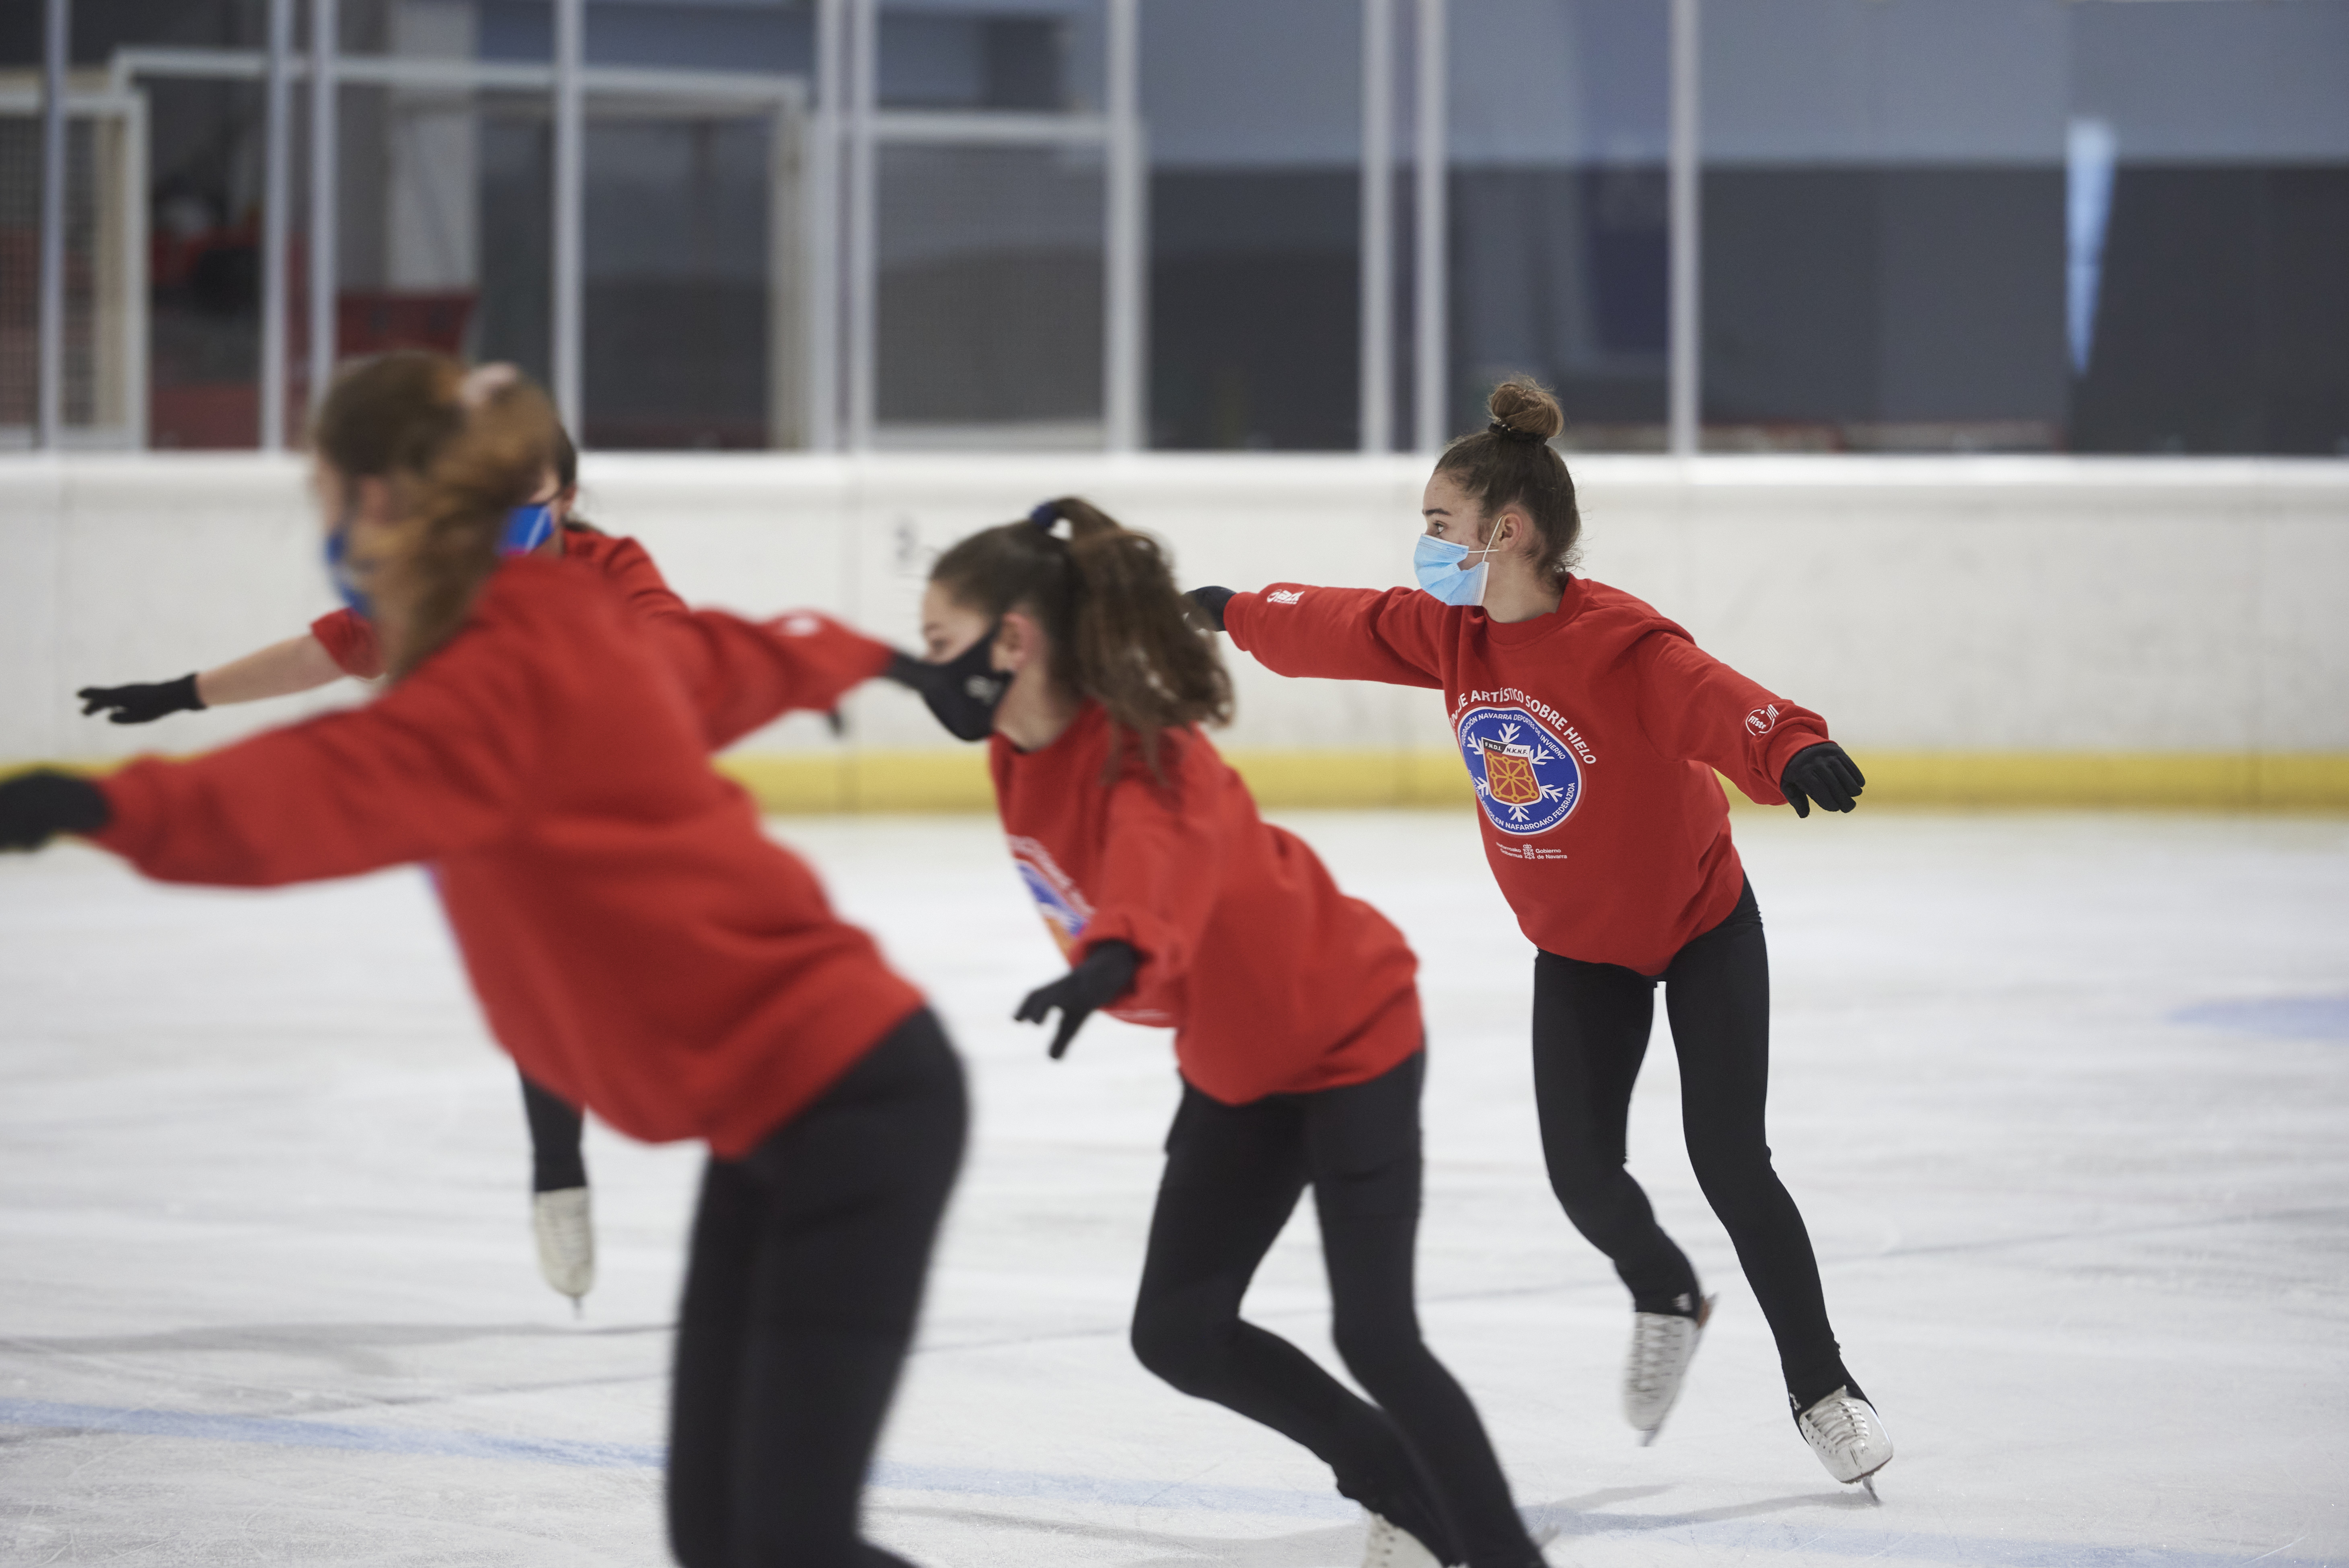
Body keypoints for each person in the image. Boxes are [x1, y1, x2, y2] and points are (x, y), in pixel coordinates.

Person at [0, 353, 964, 1568]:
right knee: (730, 1541)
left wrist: (99, 809)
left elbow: (311, 794)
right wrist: (867, 659)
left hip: (845, 1100)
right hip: (787, 1112)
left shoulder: (497, 681)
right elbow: (731, 661)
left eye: (325, 488)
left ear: (380, 503)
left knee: (785, 1542)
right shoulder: (530, 637)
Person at [1184, 378, 1892, 1494]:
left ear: (1502, 533)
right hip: (1578, 947)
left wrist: (1791, 746)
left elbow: (1714, 696)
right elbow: (1335, 623)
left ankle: (1824, 1389)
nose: (1422, 548)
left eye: (1436, 526)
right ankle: (1663, 1287)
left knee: (1730, 1162)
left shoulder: (1617, 642)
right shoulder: (1451, 634)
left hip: (1701, 923)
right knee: (1582, 1180)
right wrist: (1229, 609)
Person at [910, 497, 1551, 1568]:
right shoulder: (1019, 750)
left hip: (1350, 1036)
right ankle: (1388, 1472)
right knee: (1179, 1330)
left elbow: (1159, 845)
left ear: (1010, 641)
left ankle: (1502, 1554)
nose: (927, 668)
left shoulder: (1153, 750)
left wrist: (1117, 952)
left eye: (939, 643)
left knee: (1376, 1335)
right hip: (1238, 1061)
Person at [74, 414, 683, 1311]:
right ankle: (558, 1174)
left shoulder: (609, 568)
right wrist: (181, 694)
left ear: (566, 500)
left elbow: (674, 641)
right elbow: (325, 652)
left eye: (523, 501)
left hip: (616, 808)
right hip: (504, 830)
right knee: (547, 995)